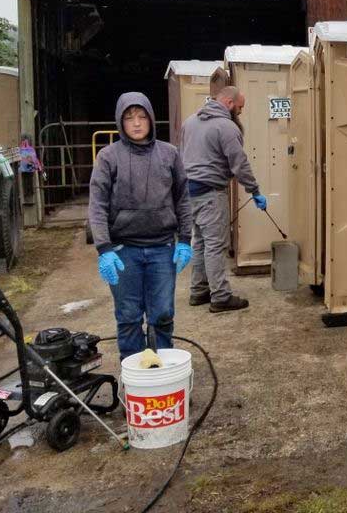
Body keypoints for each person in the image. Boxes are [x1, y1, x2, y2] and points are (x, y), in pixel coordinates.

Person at [88, 93, 193, 360]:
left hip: (162, 249)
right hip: (123, 251)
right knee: (128, 316)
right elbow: (97, 205)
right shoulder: (108, 156)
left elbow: (182, 199)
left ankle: (163, 366)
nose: (136, 123)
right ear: (120, 122)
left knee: (163, 314)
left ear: (151, 119)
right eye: (129, 118)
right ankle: (132, 370)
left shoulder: (169, 154)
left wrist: (184, 239)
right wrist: (104, 248)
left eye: (142, 116)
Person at [181, 86, 267, 313]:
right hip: (211, 193)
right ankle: (220, 296)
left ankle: (199, 291)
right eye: (239, 107)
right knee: (214, 245)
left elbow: (183, 156)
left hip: (189, 192)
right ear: (229, 103)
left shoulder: (190, 121)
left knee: (200, 242)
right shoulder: (226, 127)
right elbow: (239, 163)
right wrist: (254, 191)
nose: (240, 112)